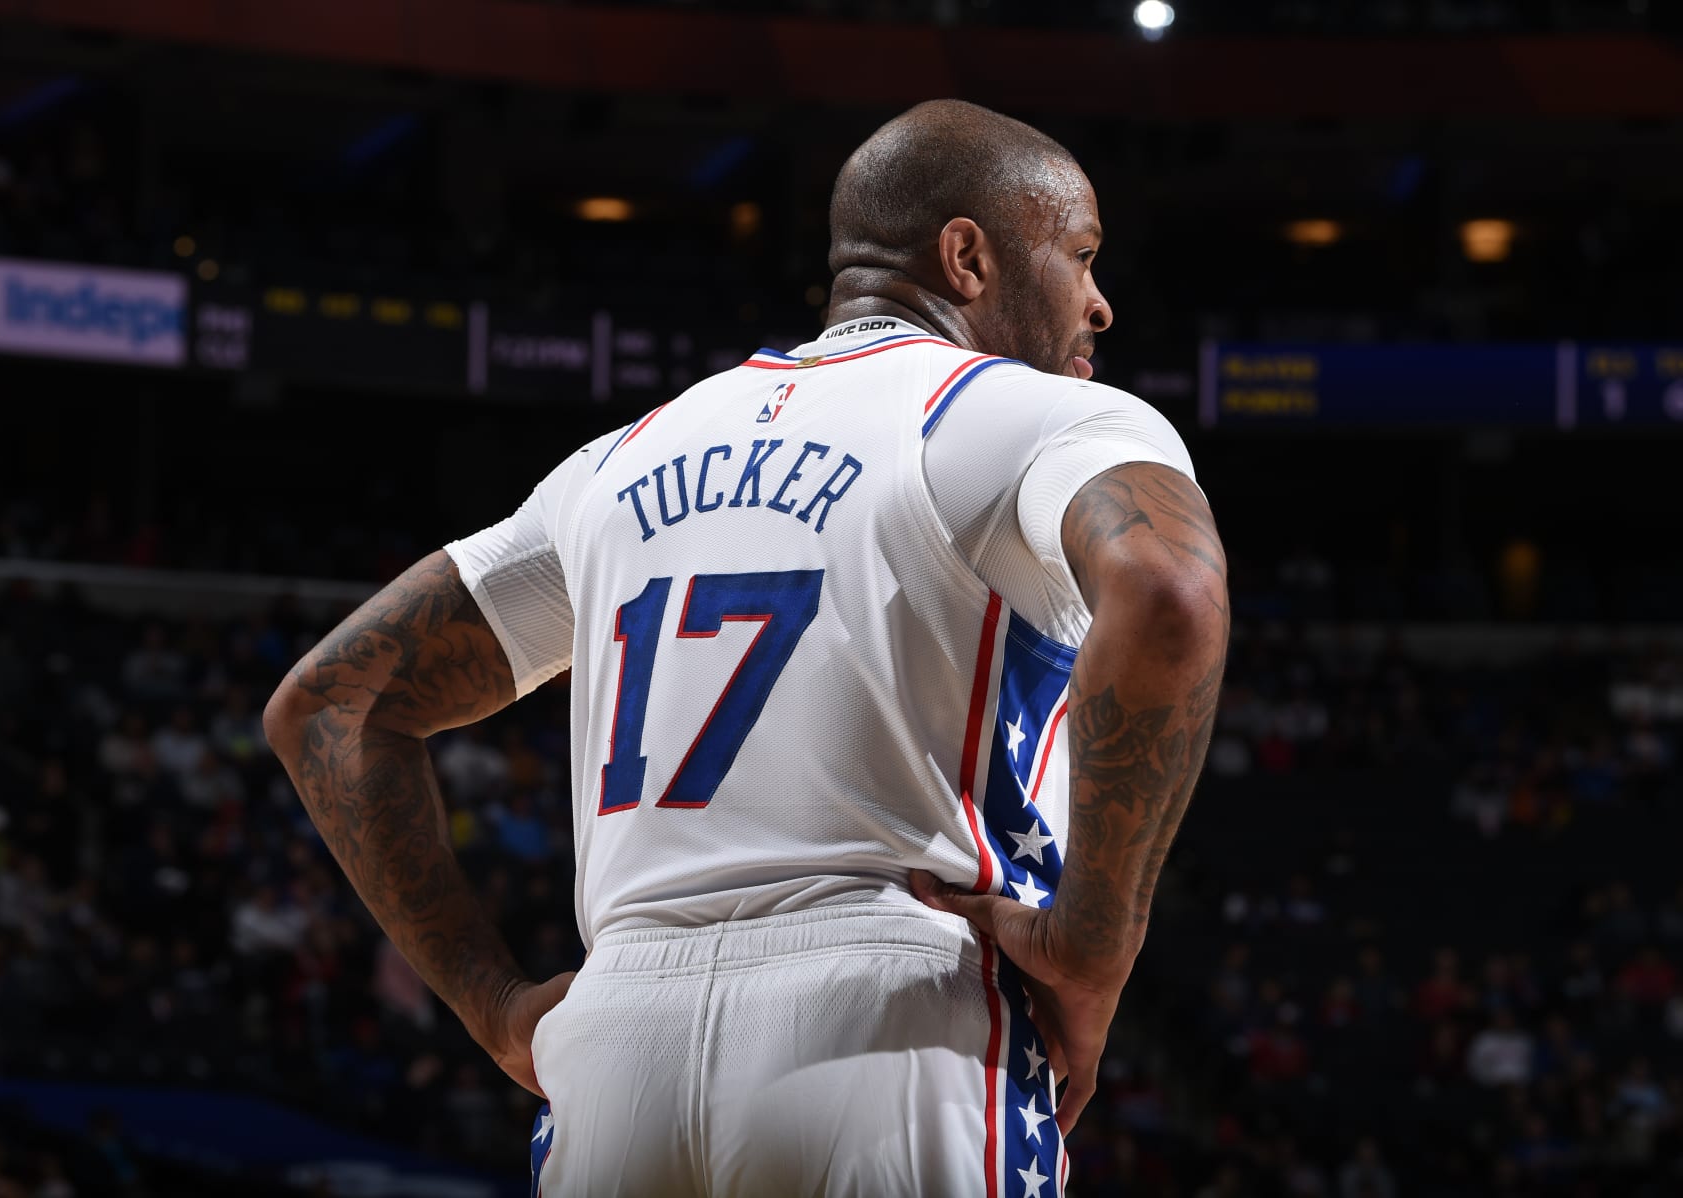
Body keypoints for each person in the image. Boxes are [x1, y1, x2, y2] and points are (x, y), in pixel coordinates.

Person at [265, 98, 1227, 1196]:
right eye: (1082, 255)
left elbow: (330, 703)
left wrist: (493, 1006)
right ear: (967, 255)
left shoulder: (619, 459)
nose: (1100, 302)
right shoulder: (1042, 416)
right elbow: (1171, 593)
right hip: (897, 1018)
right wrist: (1095, 944)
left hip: (617, 1046)